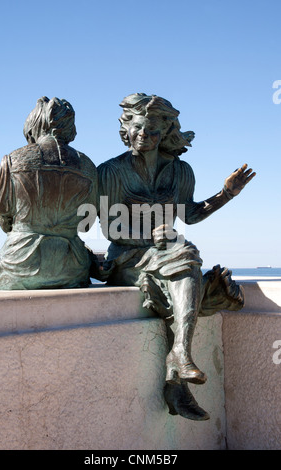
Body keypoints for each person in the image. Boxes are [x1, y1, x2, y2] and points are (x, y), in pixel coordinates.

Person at [98, 93, 256, 420]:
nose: (145, 137)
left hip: (167, 254)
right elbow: (109, 229)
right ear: (127, 129)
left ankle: (178, 361)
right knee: (187, 262)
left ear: (164, 132)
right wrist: (146, 236)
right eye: (139, 129)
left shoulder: (180, 171)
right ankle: (179, 364)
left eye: (154, 131)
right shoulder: (111, 171)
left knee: (183, 258)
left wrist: (227, 193)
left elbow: (192, 214)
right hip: (128, 257)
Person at [0, 96, 98, 290]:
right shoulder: (88, 167)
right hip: (71, 268)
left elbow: (5, 221)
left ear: (33, 127)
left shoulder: (12, 160)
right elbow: (86, 225)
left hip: (18, 266)